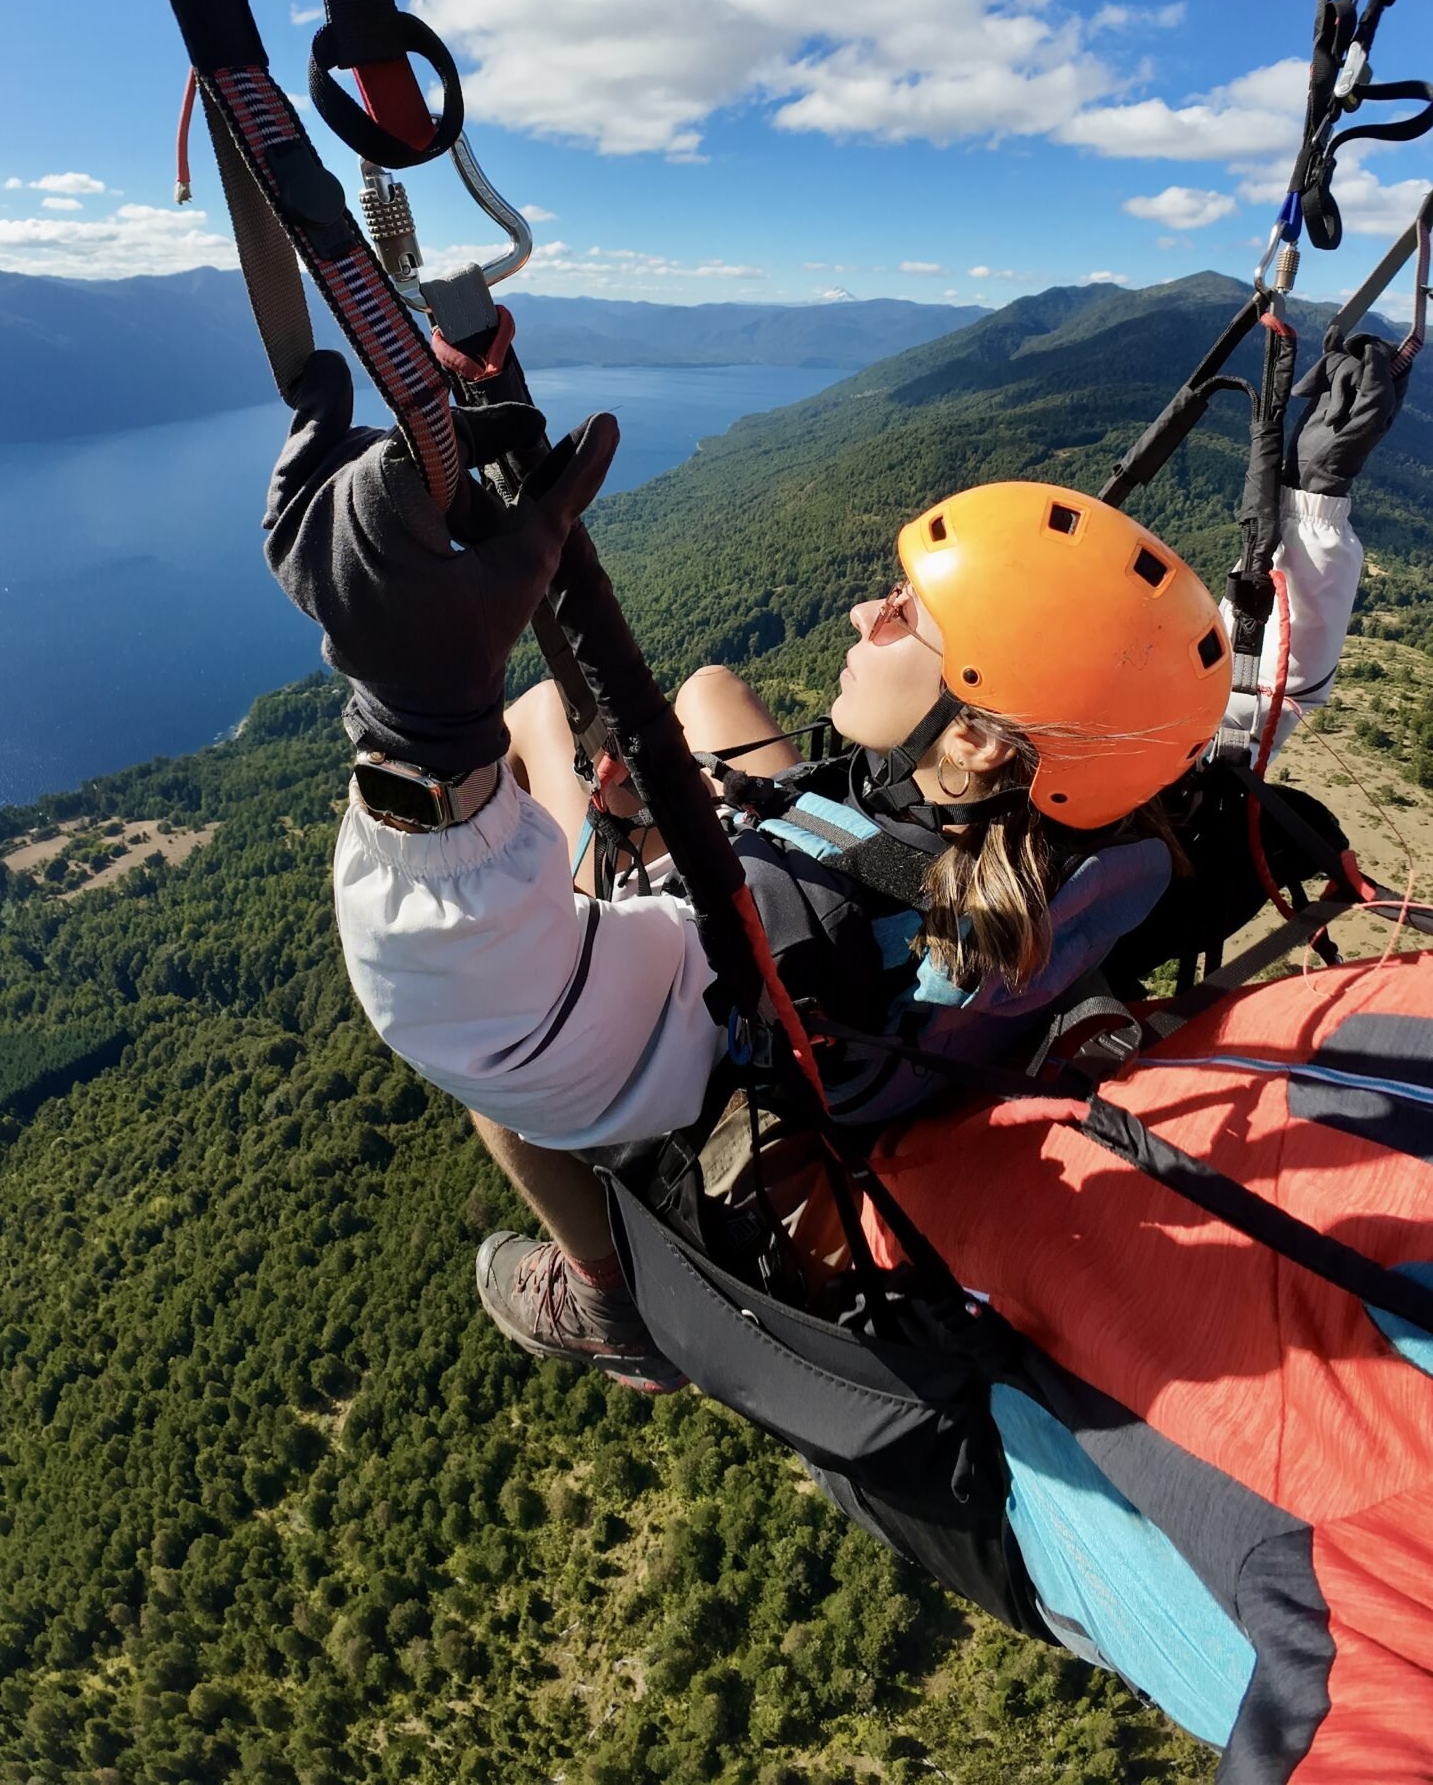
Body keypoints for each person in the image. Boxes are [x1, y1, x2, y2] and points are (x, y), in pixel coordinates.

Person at [263, 331, 1397, 1394]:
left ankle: (606, 1296)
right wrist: (1315, 507)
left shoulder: (782, 922)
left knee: (532, 751)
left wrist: (423, 738)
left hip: (768, 1006)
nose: (864, 612)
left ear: (977, 739)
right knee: (706, 692)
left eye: (902, 614)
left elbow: (494, 1023)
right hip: (903, 932)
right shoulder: (1117, 818)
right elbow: (1249, 704)